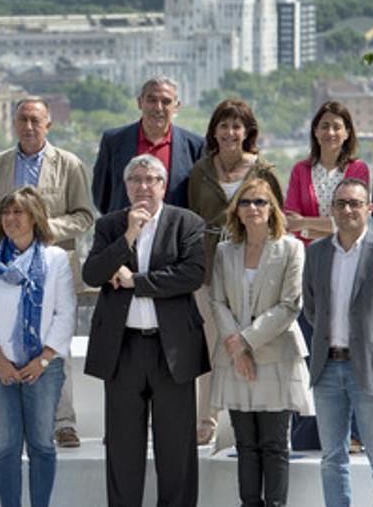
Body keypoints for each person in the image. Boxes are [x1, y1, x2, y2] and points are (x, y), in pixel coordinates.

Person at [83, 154, 208, 507]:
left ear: (163, 185)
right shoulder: (110, 225)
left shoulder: (187, 223)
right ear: (126, 186)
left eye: (150, 179)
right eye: (135, 180)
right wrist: (128, 236)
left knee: (177, 452)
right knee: (123, 450)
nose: (143, 187)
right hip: (123, 350)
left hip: (172, 351)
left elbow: (191, 275)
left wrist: (136, 282)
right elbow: (93, 274)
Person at [0, 97, 94, 448]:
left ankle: (63, 423)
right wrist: (11, 229)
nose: (28, 126)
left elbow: (84, 216)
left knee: (55, 347)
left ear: (48, 124)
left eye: (35, 120)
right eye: (22, 120)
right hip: (7, 270)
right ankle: (8, 428)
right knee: (9, 342)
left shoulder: (69, 164)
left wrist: (43, 230)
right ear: (14, 123)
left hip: (55, 267)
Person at [304, 178, 373, 507]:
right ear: (332, 210)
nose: (348, 209)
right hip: (327, 369)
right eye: (341, 203)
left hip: (370, 370)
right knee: (332, 459)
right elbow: (313, 309)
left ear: (368, 209)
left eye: (355, 203)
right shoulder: (316, 254)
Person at [209, 178, 313, 507]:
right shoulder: (226, 251)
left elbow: (290, 305)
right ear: (236, 211)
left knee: (274, 443)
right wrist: (236, 348)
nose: (253, 208)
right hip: (234, 359)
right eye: (246, 202)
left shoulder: (291, 247)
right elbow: (217, 301)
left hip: (276, 358)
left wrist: (245, 342)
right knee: (246, 444)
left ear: (272, 209)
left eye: (260, 202)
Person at [187, 98, 282, 446]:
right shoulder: (201, 170)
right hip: (210, 269)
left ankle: (254, 416)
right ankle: (207, 417)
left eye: (237, 126)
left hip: (253, 268)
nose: (230, 133)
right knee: (213, 345)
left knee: (252, 342)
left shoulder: (263, 170)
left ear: (248, 132)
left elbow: (278, 220)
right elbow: (191, 218)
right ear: (214, 131)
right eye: (224, 126)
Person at [0, 187, 75, 507]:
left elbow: (65, 312)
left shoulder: (56, 259)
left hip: (43, 368)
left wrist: (42, 361)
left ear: (34, 217)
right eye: (6, 212)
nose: (11, 218)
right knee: (6, 446)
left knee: (42, 445)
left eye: (18, 212)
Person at [282, 100, 369, 452]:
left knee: (348, 350)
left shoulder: (358, 169)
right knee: (309, 351)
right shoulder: (301, 170)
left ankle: (353, 434)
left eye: (337, 126)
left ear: (347, 132)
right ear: (315, 131)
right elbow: (289, 220)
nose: (330, 132)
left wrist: (308, 223)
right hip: (307, 269)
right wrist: (325, 225)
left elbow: (352, 221)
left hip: (349, 265)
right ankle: (308, 433)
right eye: (324, 126)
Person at [91, 76, 204, 215]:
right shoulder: (114, 141)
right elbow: (101, 194)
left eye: (166, 102)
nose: (158, 108)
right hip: (125, 231)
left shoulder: (195, 146)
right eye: (152, 100)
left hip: (174, 233)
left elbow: (199, 199)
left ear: (176, 107)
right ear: (140, 103)